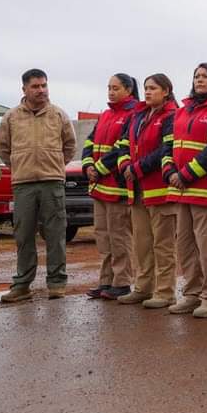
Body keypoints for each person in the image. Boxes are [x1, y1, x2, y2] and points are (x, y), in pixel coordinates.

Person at [0, 69, 77, 303]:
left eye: (44, 85)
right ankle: (22, 286)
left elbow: (69, 146)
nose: (41, 90)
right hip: (23, 184)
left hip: (52, 183)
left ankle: (57, 283)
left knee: (55, 234)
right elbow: (4, 149)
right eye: (35, 86)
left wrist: (55, 165)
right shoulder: (11, 117)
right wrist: (20, 167)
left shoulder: (58, 115)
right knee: (23, 235)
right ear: (24, 89)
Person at [164, 63, 207, 318]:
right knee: (185, 246)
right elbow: (168, 146)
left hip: (206, 189)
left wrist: (186, 174)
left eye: (205, 76)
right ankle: (192, 294)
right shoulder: (182, 112)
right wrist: (170, 171)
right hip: (181, 190)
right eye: (196, 76)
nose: (199, 80)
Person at [116, 74, 179, 308]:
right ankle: (143, 288)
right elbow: (123, 143)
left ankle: (165, 292)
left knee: (163, 245)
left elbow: (167, 148)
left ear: (166, 91)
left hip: (159, 189)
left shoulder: (171, 116)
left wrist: (138, 168)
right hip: (137, 189)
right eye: (145, 88)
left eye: (153, 88)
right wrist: (124, 165)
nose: (148, 92)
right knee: (141, 243)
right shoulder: (139, 115)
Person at [82, 73, 139, 299]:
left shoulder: (132, 114)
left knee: (119, 237)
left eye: (115, 88)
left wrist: (100, 169)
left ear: (128, 89)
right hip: (99, 187)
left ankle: (122, 282)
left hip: (117, 187)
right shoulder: (105, 114)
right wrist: (88, 165)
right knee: (103, 237)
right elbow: (89, 141)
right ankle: (106, 281)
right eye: (109, 88)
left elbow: (121, 148)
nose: (111, 92)